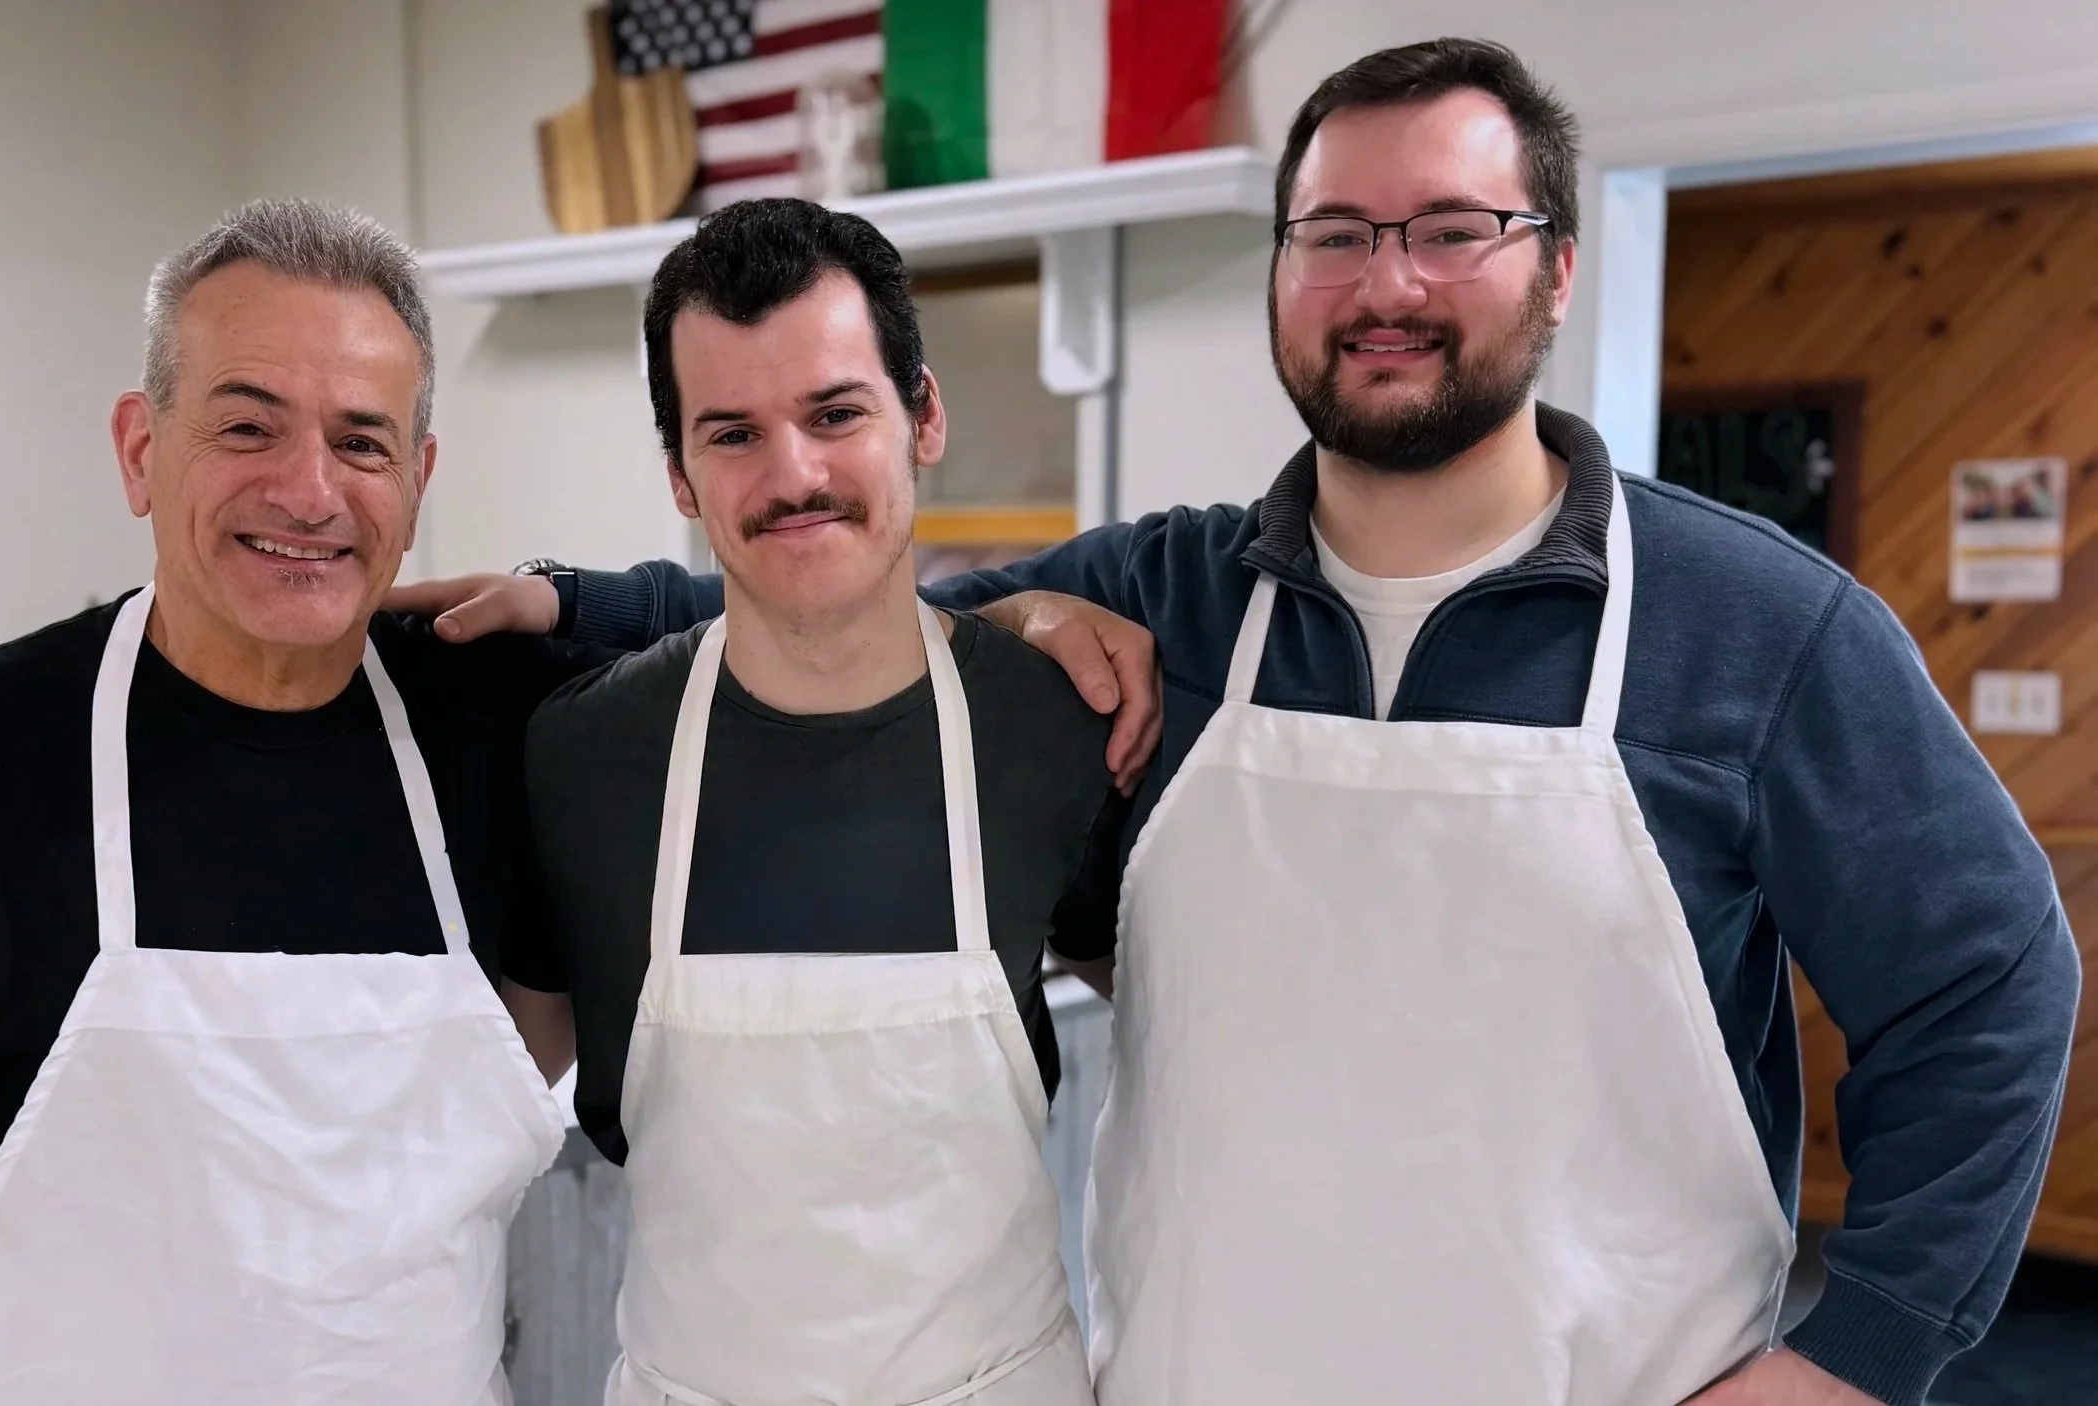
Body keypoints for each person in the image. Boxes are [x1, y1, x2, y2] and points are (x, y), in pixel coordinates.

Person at [392, 39, 2080, 1406]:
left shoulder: (1759, 628)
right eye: (1335, 232)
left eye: (1451, 229)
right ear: (1283, 267)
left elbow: (1994, 980)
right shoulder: (1182, 599)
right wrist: (564, 597)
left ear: (1555, 266)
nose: (1386, 281)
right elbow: (825, 605)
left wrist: (1853, 1357)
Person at [0, 201, 586, 1406]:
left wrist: (589, 596)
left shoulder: (501, 735)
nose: (309, 490)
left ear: (418, 477)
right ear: (140, 449)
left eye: (363, 441)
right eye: (248, 425)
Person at [508, 199, 1120, 1405]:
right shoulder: (583, 753)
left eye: (836, 413)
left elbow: (1184, 1042)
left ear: (922, 416)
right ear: (680, 475)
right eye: (732, 432)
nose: (794, 474)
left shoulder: (1054, 725)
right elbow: (474, 1101)